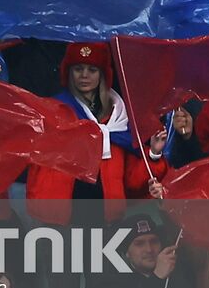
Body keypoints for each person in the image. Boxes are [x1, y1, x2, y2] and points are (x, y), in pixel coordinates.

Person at [27, 42, 165, 225]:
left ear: (103, 75)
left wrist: (154, 153)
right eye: (78, 68)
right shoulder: (53, 110)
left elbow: (131, 181)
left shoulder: (119, 120)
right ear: (68, 72)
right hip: (59, 222)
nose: (84, 75)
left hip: (105, 221)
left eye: (92, 69)